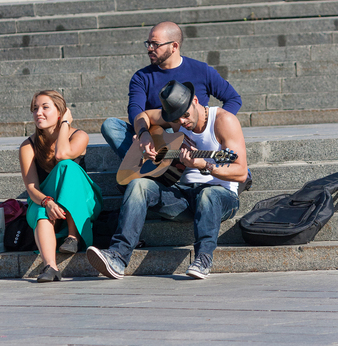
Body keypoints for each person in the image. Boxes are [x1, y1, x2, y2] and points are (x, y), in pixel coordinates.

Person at [87, 80, 248, 279]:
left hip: (221, 197)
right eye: (176, 118)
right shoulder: (176, 119)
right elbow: (143, 116)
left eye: (186, 115)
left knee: (208, 193)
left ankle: (203, 258)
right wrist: (144, 134)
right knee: (138, 184)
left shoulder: (224, 121)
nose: (182, 122)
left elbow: (241, 172)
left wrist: (204, 165)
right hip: (183, 195)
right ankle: (118, 257)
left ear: (195, 100)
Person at [101, 21, 242, 160]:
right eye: (148, 43)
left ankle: (154, 166)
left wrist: (215, 127)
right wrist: (143, 132)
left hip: (189, 133)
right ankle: (147, 164)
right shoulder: (141, 77)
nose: (149, 48)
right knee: (110, 125)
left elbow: (233, 99)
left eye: (155, 44)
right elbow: (135, 109)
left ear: (174, 46)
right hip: (152, 133)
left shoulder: (201, 70)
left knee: (174, 131)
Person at [19, 90, 103, 283]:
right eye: (35, 109)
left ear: (60, 112)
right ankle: (50, 267)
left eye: (45, 107)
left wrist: (65, 124)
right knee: (41, 213)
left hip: (80, 203)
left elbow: (61, 155)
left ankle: (72, 237)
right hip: (43, 201)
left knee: (67, 166)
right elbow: (31, 188)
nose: (38, 112)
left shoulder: (80, 136)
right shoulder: (28, 146)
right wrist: (47, 202)